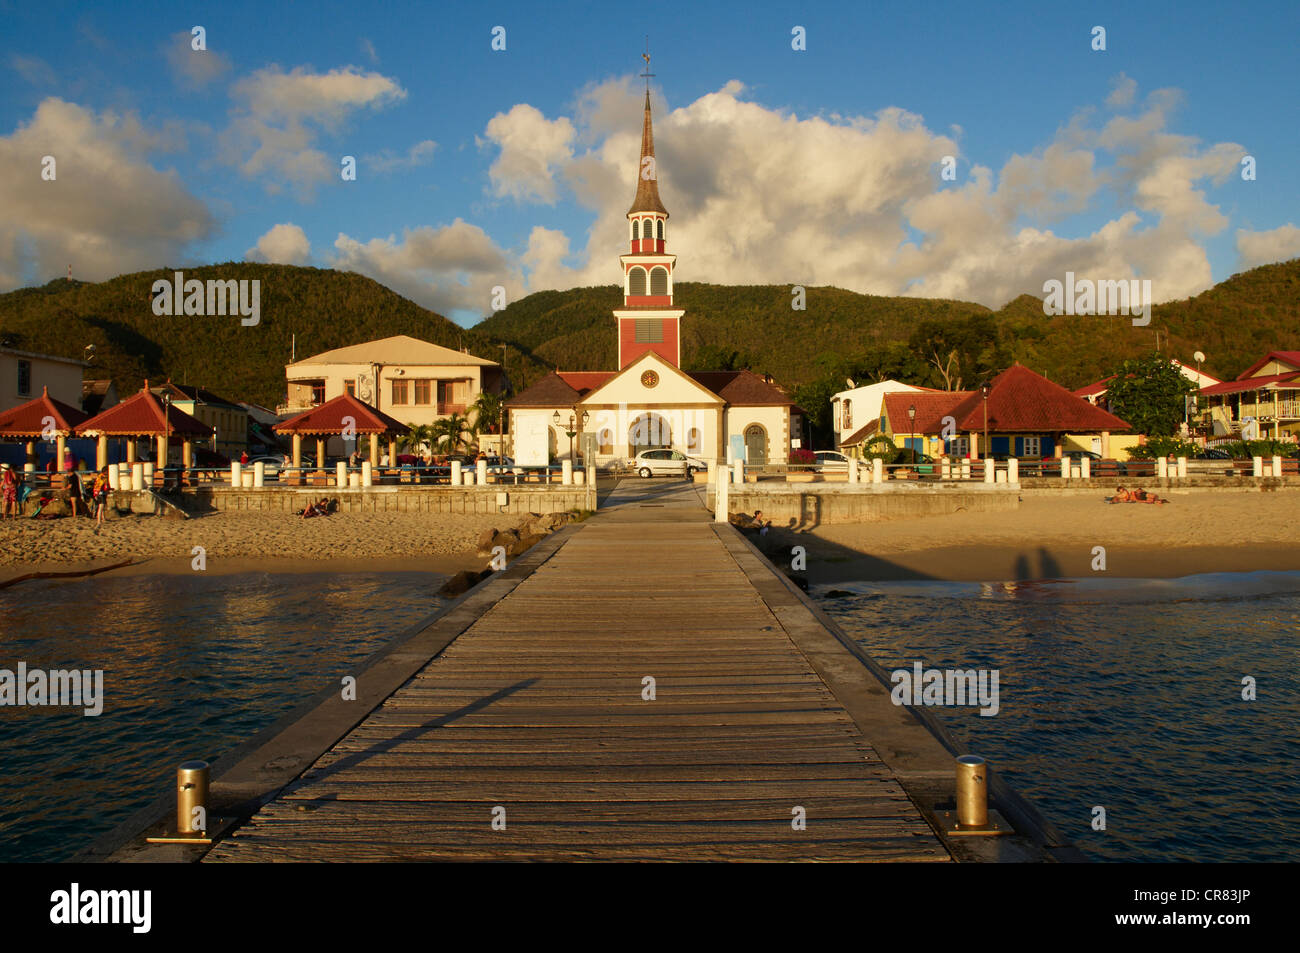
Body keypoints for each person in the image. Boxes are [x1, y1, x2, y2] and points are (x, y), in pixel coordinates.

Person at [91, 466, 111, 532]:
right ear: (105, 471)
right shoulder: (102, 477)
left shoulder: (101, 476)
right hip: (100, 493)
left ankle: (103, 518)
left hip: (100, 493)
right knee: (101, 506)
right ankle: (99, 521)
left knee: (102, 506)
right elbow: (102, 485)